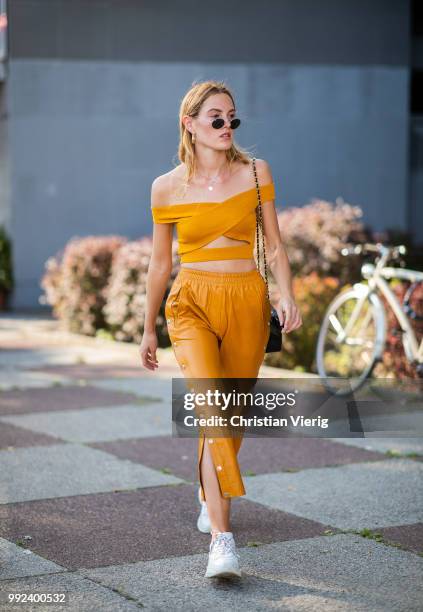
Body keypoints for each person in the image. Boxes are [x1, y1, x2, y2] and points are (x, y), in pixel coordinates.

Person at [140, 79, 302, 578]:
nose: (226, 125)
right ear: (189, 123)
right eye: (216, 117)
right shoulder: (165, 186)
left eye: (233, 118)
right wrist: (147, 328)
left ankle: (207, 485)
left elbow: (273, 246)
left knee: (228, 416)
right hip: (191, 303)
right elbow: (159, 263)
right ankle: (222, 540)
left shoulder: (256, 172)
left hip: (247, 301)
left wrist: (287, 292)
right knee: (213, 407)